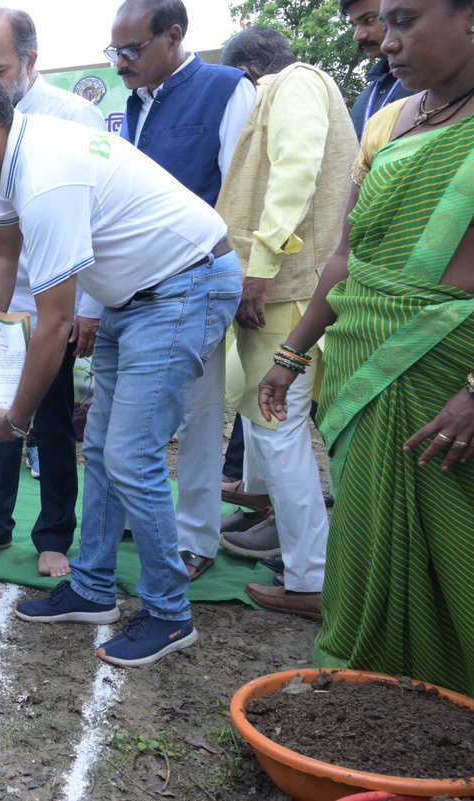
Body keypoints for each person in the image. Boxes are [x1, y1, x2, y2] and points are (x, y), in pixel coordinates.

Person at [0, 64, 240, 667]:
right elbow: (2, 249)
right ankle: (94, 589)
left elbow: (55, 325)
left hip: (185, 285)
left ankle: (171, 615)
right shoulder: (19, 158)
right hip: (139, 293)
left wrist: (13, 423)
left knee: (132, 455)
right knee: (100, 449)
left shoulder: (45, 176)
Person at [259, 0, 474, 696]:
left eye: (406, 20)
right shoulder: (390, 122)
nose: (386, 41)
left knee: (454, 556)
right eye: (384, 23)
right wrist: (292, 353)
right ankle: (367, 693)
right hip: (362, 361)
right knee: (364, 539)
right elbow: (348, 255)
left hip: (447, 381)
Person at [0, 7, 105, 578]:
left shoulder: (74, 115)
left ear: (32, 61)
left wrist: (89, 308)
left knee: (55, 418)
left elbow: (94, 219)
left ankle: (54, 535)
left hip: (60, 299)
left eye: (0, 66)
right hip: (2, 294)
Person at [109, 0, 256, 582]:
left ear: (173, 36)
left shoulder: (225, 87)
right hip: (140, 286)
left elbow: (242, 189)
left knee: (199, 408)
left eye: (132, 50)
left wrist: (241, 280)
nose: (121, 63)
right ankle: (140, 513)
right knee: (137, 410)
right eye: (114, 51)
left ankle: (196, 535)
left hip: (200, 280)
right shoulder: (135, 103)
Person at [214, 27, 357, 619]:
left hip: (290, 289)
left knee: (279, 425)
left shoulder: (294, 83)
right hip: (291, 287)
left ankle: (311, 577)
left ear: (250, 72)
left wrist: (262, 265)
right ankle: (268, 511)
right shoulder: (304, 86)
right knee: (269, 416)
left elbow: (294, 168)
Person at [344, 0, 413, 137]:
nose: (357, 36)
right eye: (354, 25)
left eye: (369, 19)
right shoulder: (366, 95)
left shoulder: (436, 84)